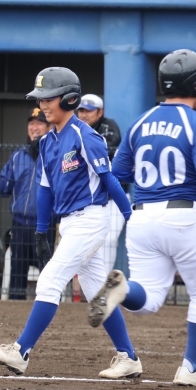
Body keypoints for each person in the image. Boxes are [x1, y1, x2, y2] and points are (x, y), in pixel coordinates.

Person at [87, 49, 196, 387]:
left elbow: (119, 172)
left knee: (148, 298)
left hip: (142, 216)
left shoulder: (141, 122)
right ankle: (191, 369)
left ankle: (123, 290)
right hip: (186, 216)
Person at [0, 67, 141, 379]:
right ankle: (129, 358)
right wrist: (42, 231)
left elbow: (109, 180)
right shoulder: (46, 142)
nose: (43, 105)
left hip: (91, 219)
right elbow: (44, 189)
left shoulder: (86, 135)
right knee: (98, 293)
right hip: (69, 223)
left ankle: (20, 351)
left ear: (69, 99)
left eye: (48, 98)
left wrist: (130, 218)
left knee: (50, 280)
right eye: (40, 99)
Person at [0, 109, 50, 300]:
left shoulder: (56, 154)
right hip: (20, 224)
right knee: (17, 273)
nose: (34, 128)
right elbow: (6, 184)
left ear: (49, 127)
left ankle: (49, 308)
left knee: (48, 272)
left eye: (39, 123)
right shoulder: (18, 155)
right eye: (31, 123)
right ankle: (14, 311)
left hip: (46, 225)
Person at [77, 94, 128, 274]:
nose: (84, 115)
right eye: (81, 110)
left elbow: (104, 150)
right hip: (89, 197)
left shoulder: (108, 126)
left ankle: (103, 281)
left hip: (114, 196)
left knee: (109, 240)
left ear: (100, 112)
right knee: (87, 241)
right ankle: (91, 282)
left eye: (89, 111)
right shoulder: (75, 129)